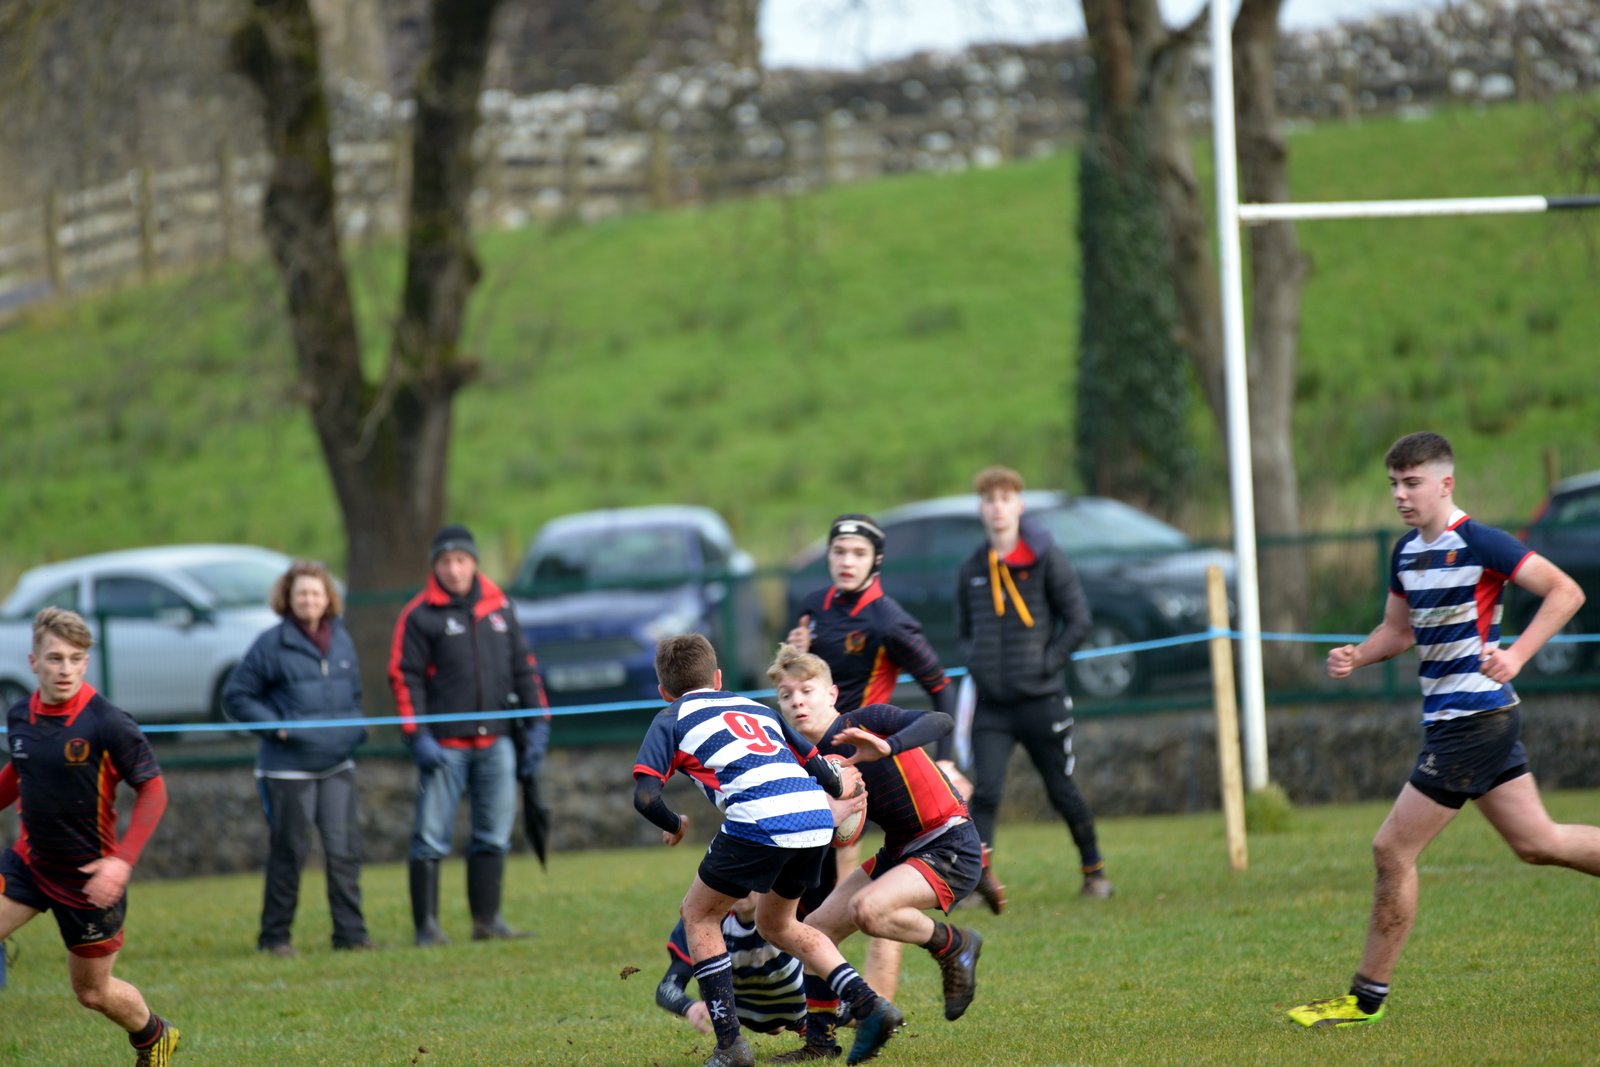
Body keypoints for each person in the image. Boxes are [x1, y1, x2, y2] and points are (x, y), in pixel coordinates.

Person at [1288, 431, 1597, 1028]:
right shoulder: (1405, 552)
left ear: (1445, 483)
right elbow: (1398, 630)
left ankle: (1364, 1000)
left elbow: (1567, 592)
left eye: (1413, 483)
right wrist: (1358, 655)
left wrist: (1518, 655)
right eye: (1394, 484)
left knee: (1391, 849)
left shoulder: (1480, 542)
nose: (1400, 495)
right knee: (1539, 842)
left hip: (1473, 720)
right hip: (1466, 720)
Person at [632, 633, 902, 1067]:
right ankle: (870, 1004)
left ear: (664, 690)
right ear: (718, 679)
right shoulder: (757, 709)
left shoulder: (671, 717)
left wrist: (674, 823)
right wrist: (842, 796)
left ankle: (730, 1046)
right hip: (813, 818)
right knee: (778, 924)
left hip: (759, 819)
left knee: (699, 915)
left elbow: (646, 797)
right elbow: (822, 771)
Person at [784, 511, 999, 997]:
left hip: (877, 756)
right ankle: (844, 1017)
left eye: (859, 553)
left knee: (872, 905)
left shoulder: (889, 620)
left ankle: (880, 998)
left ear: (877, 561)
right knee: (818, 906)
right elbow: (795, 675)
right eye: (839, 552)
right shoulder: (813, 606)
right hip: (828, 762)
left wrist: (945, 758)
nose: (847, 561)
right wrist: (796, 649)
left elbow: (941, 689)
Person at [768, 645, 984, 1063]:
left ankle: (955, 944)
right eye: (786, 695)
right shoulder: (805, 761)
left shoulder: (867, 721)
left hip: (948, 840)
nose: (797, 701)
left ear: (832, 693)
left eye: (807, 690)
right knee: (815, 929)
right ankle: (819, 1043)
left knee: (869, 910)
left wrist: (891, 746)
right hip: (899, 850)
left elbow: (941, 720)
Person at [0, 608, 181, 1065]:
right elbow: (19, 773)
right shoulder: (20, 715)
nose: (65, 669)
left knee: (92, 993)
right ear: (33, 661)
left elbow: (154, 790)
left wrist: (122, 862)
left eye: (76, 659)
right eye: (55, 658)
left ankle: (154, 1035)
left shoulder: (107, 722)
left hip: (88, 880)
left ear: (86, 662)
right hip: (29, 864)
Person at [389, 524, 552, 946]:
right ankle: (427, 928)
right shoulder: (418, 615)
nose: (454, 569)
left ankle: (487, 921)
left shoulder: (501, 607)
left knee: (493, 834)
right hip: (443, 746)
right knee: (430, 837)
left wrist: (538, 723)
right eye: (445, 561)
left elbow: (524, 668)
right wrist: (416, 735)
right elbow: (404, 679)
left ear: (474, 562)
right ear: (435, 566)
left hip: (497, 742)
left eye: (461, 560)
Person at [956, 465, 1111, 898]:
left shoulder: (1046, 557)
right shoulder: (971, 567)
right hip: (992, 706)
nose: (997, 508)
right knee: (986, 792)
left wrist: (1048, 661)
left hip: (1041, 699)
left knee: (1060, 789)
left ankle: (1094, 870)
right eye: (989, 500)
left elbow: (1078, 619)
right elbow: (964, 631)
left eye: (1005, 499)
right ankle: (976, 883)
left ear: (1019, 506)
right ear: (981, 509)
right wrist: (976, 663)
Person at [224, 559, 373, 956]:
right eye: (302, 593)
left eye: (316, 592)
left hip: (337, 763)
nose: (309, 599)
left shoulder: (342, 639)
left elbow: (354, 693)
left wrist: (356, 729)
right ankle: (275, 938)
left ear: (328, 598)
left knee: (344, 851)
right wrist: (278, 728)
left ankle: (351, 935)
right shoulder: (270, 644)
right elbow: (236, 696)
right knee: (290, 852)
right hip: (287, 769)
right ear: (288, 599)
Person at [654, 892, 806, 1039]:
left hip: (801, 1006)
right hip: (741, 1011)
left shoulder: (797, 903)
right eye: (737, 876)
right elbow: (667, 987)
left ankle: (797, 1022)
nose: (743, 884)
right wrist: (690, 1007)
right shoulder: (700, 918)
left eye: (751, 876)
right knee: (710, 977)